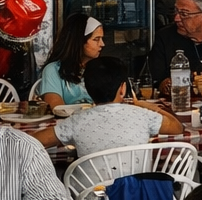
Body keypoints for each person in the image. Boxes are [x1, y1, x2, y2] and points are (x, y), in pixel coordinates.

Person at [32, 55, 182, 158]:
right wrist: (147, 106)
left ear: (89, 90)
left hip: (89, 198)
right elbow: (177, 127)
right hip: (134, 196)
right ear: (123, 89)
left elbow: (34, 141)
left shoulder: (75, 121)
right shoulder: (143, 115)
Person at [37, 11, 104, 109]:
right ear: (79, 41)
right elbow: (57, 107)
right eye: (96, 39)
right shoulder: (53, 70)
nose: (102, 44)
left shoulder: (101, 69)